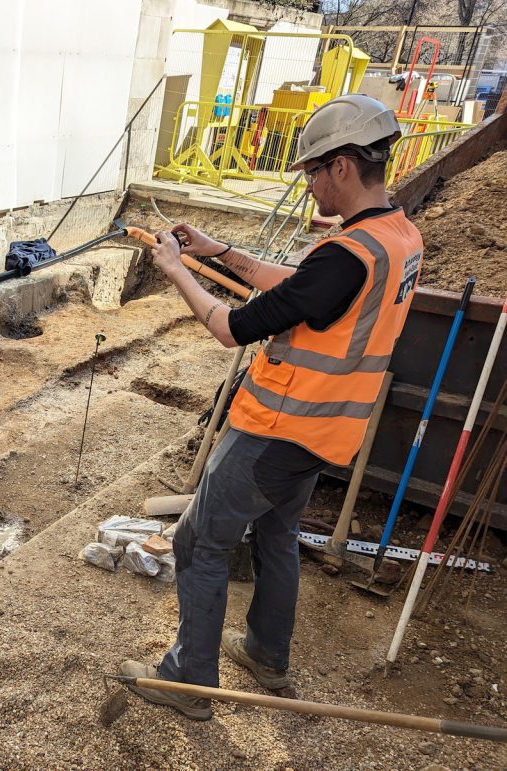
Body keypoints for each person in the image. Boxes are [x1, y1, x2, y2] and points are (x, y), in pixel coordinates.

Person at [119, 94, 424, 720]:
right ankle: (266, 655)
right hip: (324, 432)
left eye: (313, 170)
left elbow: (231, 327)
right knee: (278, 536)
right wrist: (218, 250)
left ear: (341, 166)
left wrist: (178, 269)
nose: (309, 183)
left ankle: (189, 682)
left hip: (277, 430)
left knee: (199, 542)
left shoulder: (346, 254)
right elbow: (300, 286)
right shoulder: (394, 236)